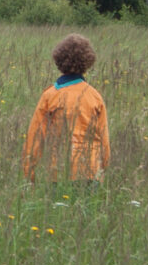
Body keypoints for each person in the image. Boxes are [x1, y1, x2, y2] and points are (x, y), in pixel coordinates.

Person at [22, 33, 110, 181]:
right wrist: (101, 170)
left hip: (59, 171)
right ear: (87, 62)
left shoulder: (50, 96)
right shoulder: (95, 96)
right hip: (91, 172)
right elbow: (104, 141)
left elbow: (35, 139)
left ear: (59, 61)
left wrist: (29, 174)